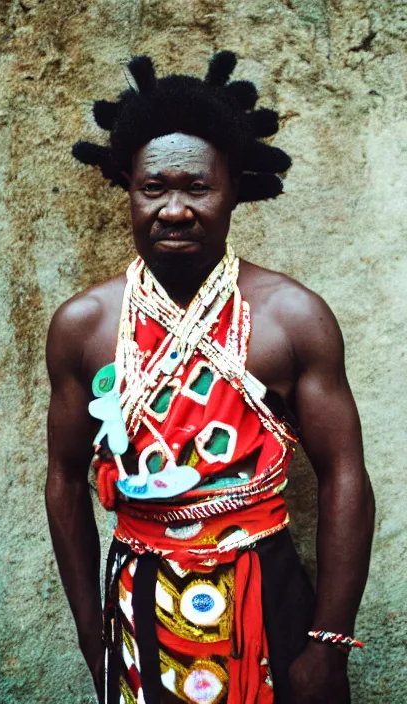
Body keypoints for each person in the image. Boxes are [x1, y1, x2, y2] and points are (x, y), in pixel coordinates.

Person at [45, 52, 374, 704]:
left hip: (269, 596)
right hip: (138, 611)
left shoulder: (291, 319)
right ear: (127, 188)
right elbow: (63, 480)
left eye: (197, 188)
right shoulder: (83, 327)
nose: (173, 209)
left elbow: (345, 475)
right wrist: (91, 631)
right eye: (153, 187)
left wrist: (328, 645)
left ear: (235, 190)